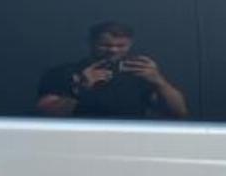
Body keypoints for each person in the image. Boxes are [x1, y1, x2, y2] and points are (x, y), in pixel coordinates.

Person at [36, 21, 189, 119]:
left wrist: (159, 82)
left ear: (130, 44)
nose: (113, 50)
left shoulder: (139, 75)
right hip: (76, 143)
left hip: (129, 144)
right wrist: (80, 90)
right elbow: (46, 116)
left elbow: (179, 113)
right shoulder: (63, 73)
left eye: (121, 46)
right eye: (105, 45)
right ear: (90, 43)